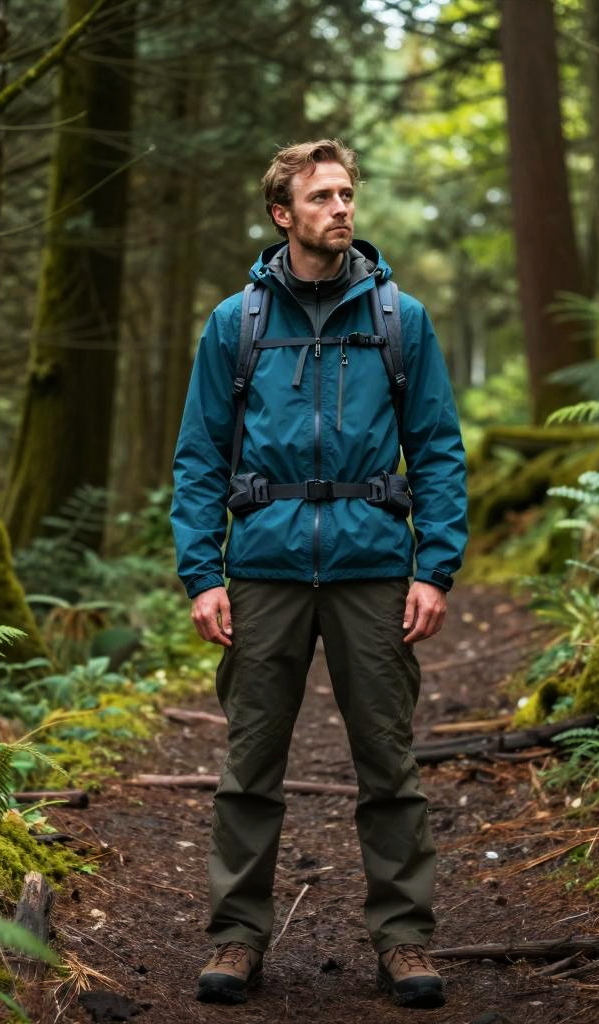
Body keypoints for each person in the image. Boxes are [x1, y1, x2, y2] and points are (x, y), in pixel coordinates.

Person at [170, 139, 467, 1009]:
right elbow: (199, 457)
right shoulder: (238, 324)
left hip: (374, 567)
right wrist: (203, 574)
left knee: (388, 763)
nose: (342, 208)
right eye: (322, 197)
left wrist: (435, 569)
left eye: (348, 193)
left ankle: (406, 940)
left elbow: (439, 451)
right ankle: (235, 937)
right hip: (262, 571)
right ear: (282, 215)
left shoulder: (399, 319)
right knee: (250, 764)